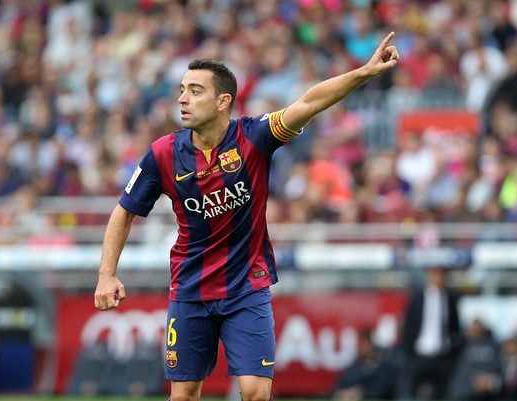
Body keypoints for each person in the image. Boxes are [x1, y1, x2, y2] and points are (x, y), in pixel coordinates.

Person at [94, 32, 399, 401]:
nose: (182, 98)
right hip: (190, 289)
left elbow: (309, 102)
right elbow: (123, 212)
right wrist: (107, 274)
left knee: (255, 392)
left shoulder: (253, 137)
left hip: (246, 289)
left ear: (223, 101)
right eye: (182, 89)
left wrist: (364, 73)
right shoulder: (163, 153)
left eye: (194, 90)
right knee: (184, 395)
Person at [399, 267, 463, 400]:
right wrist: (408, 354)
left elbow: (455, 328)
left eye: (441, 275)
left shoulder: (450, 299)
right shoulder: (417, 298)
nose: (438, 279)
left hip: (442, 356)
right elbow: (408, 327)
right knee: (411, 392)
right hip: (419, 355)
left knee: (440, 394)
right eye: (435, 275)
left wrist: (453, 353)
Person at [331, 330, 396, 401]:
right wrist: (344, 392)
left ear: (372, 344)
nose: (363, 347)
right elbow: (342, 383)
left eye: (366, 344)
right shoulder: (357, 363)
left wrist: (361, 392)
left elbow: (382, 389)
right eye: (361, 344)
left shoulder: (384, 365)